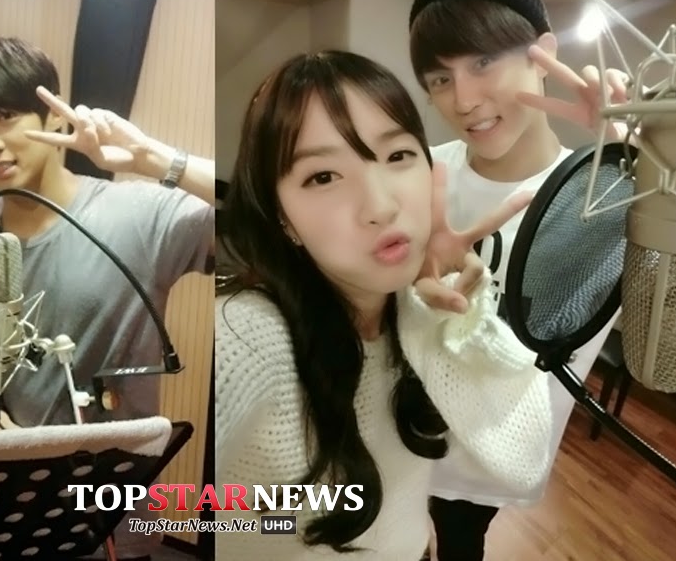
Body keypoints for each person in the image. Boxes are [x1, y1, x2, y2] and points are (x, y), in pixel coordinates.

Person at [214, 50, 554, 560]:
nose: (380, 206)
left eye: (397, 157)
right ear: (283, 218)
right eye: (323, 176)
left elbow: (523, 458)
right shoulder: (248, 337)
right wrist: (265, 519)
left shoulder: (414, 311)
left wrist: (463, 321)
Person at [0, 37, 215, 560]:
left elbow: (270, 218)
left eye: (5, 117)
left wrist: (151, 157)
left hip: (114, 523)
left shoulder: (137, 216)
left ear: (53, 114)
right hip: (7, 517)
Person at [407, 0, 625, 558]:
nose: (463, 100)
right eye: (440, 78)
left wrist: (645, 164)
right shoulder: (418, 174)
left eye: (483, 62)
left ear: (543, 56)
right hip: (401, 433)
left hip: (494, 457)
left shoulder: (610, 199)